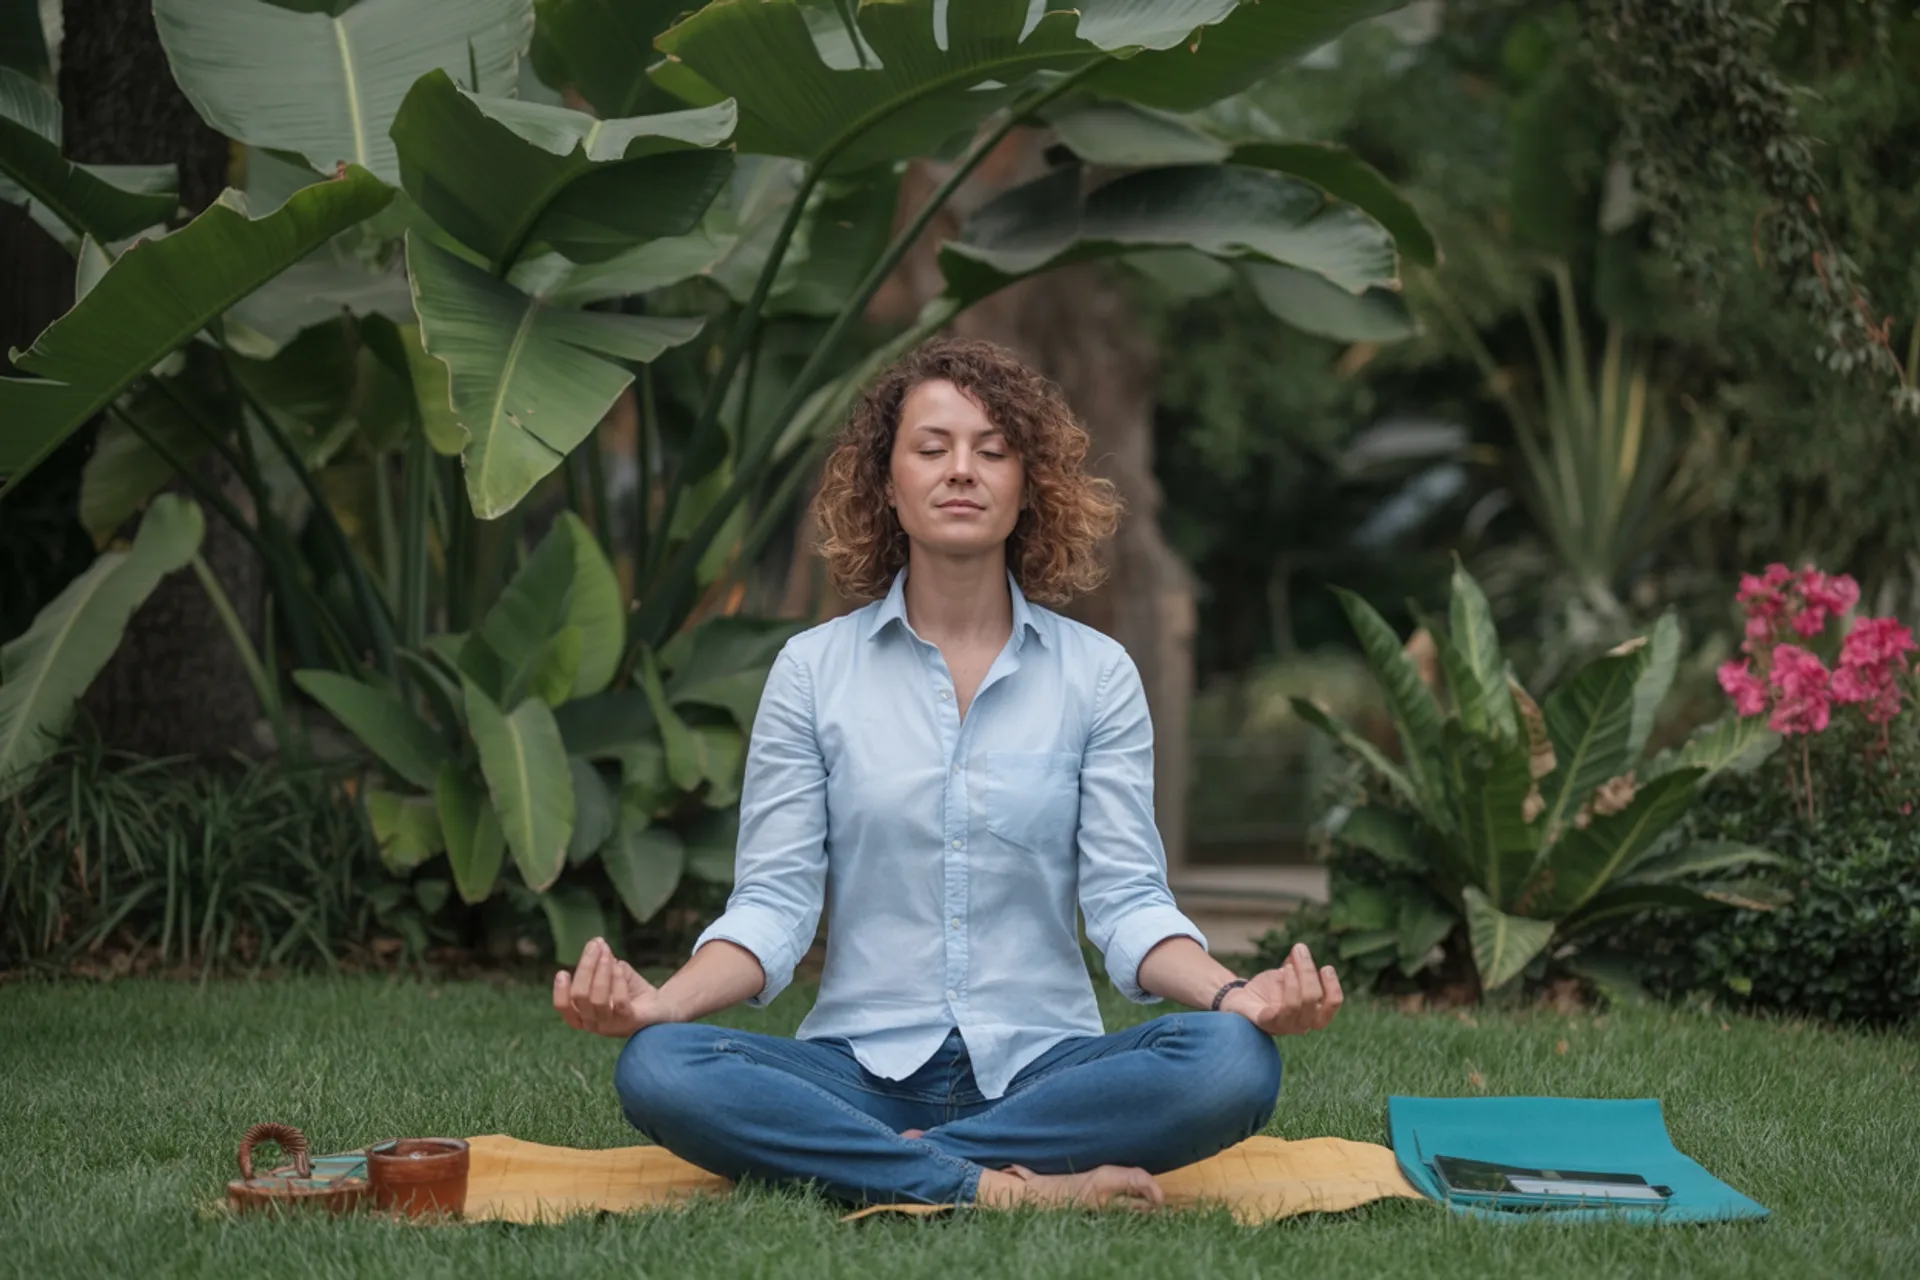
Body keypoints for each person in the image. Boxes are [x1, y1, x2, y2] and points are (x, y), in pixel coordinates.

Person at [552, 337, 1343, 1211]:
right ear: (888, 484)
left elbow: (1128, 905)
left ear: (1025, 483)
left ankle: (883, 1165)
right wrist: (663, 1006)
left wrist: (1238, 995)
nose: (961, 469)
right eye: (932, 448)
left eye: (992, 450)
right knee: (662, 1067)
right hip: (857, 1071)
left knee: (1230, 1063)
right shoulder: (813, 671)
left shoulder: (1098, 673)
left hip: (1048, 1076)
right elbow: (773, 909)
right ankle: (1006, 1189)